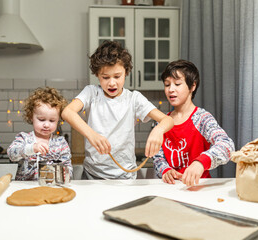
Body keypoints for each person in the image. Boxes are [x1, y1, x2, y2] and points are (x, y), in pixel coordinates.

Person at [61, 40, 174, 180]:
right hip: (92, 175)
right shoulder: (91, 93)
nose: (112, 82)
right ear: (97, 75)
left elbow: (168, 120)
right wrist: (92, 135)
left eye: (117, 76)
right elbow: (67, 112)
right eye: (105, 77)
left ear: (126, 72)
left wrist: (158, 130)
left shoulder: (134, 99)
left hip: (125, 176)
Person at [153, 59, 235, 186]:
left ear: (192, 86)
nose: (170, 89)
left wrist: (201, 162)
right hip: (171, 189)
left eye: (177, 84)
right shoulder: (162, 123)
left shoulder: (202, 118)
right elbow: (158, 158)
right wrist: (165, 170)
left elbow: (227, 145)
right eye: (167, 84)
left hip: (199, 187)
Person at [7, 87, 72, 180]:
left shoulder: (61, 143)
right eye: (41, 120)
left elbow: (67, 165)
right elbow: (11, 154)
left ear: (58, 120)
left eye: (52, 120)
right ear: (31, 117)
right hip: (25, 189)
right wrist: (31, 148)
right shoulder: (24, 138)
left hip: (51, 189)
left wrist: (65, 174)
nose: (46, 124)